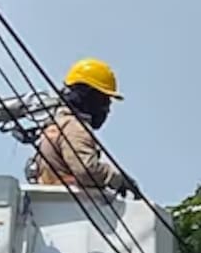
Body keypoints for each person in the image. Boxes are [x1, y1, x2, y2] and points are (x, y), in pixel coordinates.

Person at [29, 58, 139, 197]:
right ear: (89, 96)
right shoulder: (74, 127)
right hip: (72, 210)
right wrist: (118, 180)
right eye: (104, 100)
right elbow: (86, 170)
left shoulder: (56, 123)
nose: (107, 109)